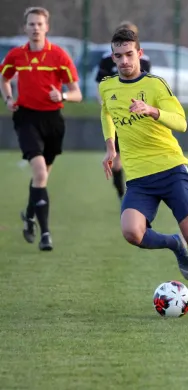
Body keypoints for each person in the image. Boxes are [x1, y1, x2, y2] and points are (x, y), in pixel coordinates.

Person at [98, 28, 188, 310]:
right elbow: (106, 112)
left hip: (171, 169)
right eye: (119, 56)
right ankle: (174, 244)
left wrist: (152, 111)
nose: (124, 61)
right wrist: (110, 147)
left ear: (139, 54)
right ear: (113, 58)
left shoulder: (155, 85)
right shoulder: (106, 86)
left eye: (129, 54)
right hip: (139, 177)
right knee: (132, 233)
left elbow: (181, 122)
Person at [0, 7, 82, 251]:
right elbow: (4, 78)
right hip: (26, 118)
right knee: (40, 173)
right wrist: (8, 98)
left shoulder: (58, 55)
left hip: (53, 120)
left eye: (39, 24)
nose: (35, 28)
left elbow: (77, 93)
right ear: (25, 28)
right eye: (31, 24)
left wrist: (63, 95)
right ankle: (45, 233)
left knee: (41, 176)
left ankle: (28, 214)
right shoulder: (16, 55)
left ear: (47, 27)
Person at [95, 21, 152, 201]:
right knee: (117, 160)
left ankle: (140, 196)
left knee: (140, 158)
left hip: (138, 117)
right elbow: (100, 85)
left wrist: (146, 109)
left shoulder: (145, 60)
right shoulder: (107, 58)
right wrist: (105, 105)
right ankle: (123, 195)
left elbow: (148, 86)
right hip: (117, 116)